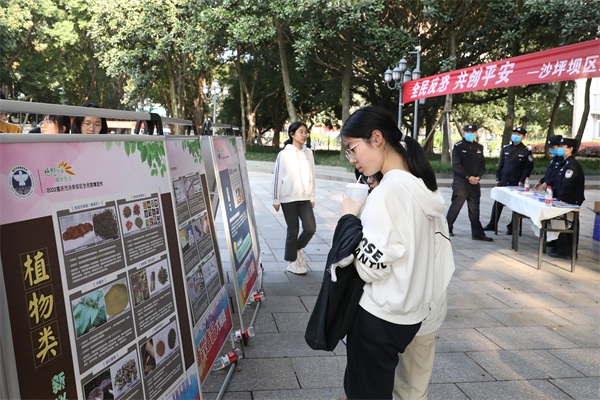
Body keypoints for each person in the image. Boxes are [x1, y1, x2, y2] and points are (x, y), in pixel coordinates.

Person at [339, 107, 454, 400]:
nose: (352, 158)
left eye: (352, 148)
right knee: (411, 390)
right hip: (417, 311)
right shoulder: (424, 186)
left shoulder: (387, 192)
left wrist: (349, 219)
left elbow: (370, 268)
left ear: (376, 138)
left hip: (381, 314)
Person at [272, 122, 316, 275]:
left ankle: (296, 250)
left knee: (310, 228)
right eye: (301, 132)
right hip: (288, 198)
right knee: (293, 230)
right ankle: (292, 263)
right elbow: (277, 177)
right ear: (292, 134)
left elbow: (312, 175)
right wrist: (275, 199)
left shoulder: (308, 153)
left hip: (305, 198)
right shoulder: (284, 154)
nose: (304, 135)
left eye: (306, 132)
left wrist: (311, 195)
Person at [446, 124, 493, 241]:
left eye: (473, 131)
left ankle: (477, 233)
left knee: (475, 209)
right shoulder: (458, 146)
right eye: (468, 131)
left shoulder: (479, 147)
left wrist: (478, 177)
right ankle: (446, 228)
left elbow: (482, 165)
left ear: (476, 134)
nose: (470, 133)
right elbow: (456, 165)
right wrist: (468, 177)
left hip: (475, 184)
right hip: (461, 183)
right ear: (464, 133)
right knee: (455, 207)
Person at [483, 127, 534, 234]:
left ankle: (512, 227)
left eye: (519, 134)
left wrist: (522, 180)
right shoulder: (506, 148)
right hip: (504, 180)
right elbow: (501, 164)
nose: (516, 135)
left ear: (523, 137)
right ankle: (493, 224)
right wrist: (498, 178)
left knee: (516, 205)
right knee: (498, 203)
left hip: (516, 181)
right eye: (514, 133)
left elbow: (528, 168)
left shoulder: (526, 151)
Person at [549, 138, 585, 259]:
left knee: (566, 224)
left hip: (569, 201)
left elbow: (568, 184)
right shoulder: (565, 163)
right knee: (563, 223)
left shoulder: (572, 165)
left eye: (563, 147)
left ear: (570, 149)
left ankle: (566, 250)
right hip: (563, 199)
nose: (560, 149)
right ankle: (563, 248)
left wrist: (562, 199)